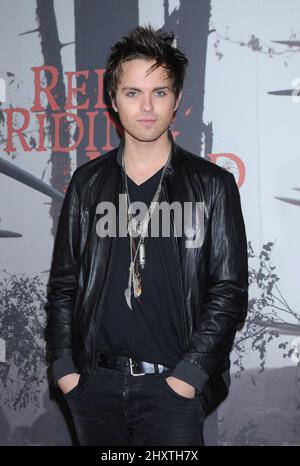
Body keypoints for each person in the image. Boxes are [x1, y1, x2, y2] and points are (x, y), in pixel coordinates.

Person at [46, 25, 248, 446]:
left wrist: (189, 376)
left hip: (173, 391)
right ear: (113, 101)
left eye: (160, 92)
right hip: (94, 388)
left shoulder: (212, 185)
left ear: (176, 102)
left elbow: (229, 290)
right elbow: (64, 285)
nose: (147, 106)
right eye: (133, 92)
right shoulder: (87, 184)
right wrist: (65, 369)